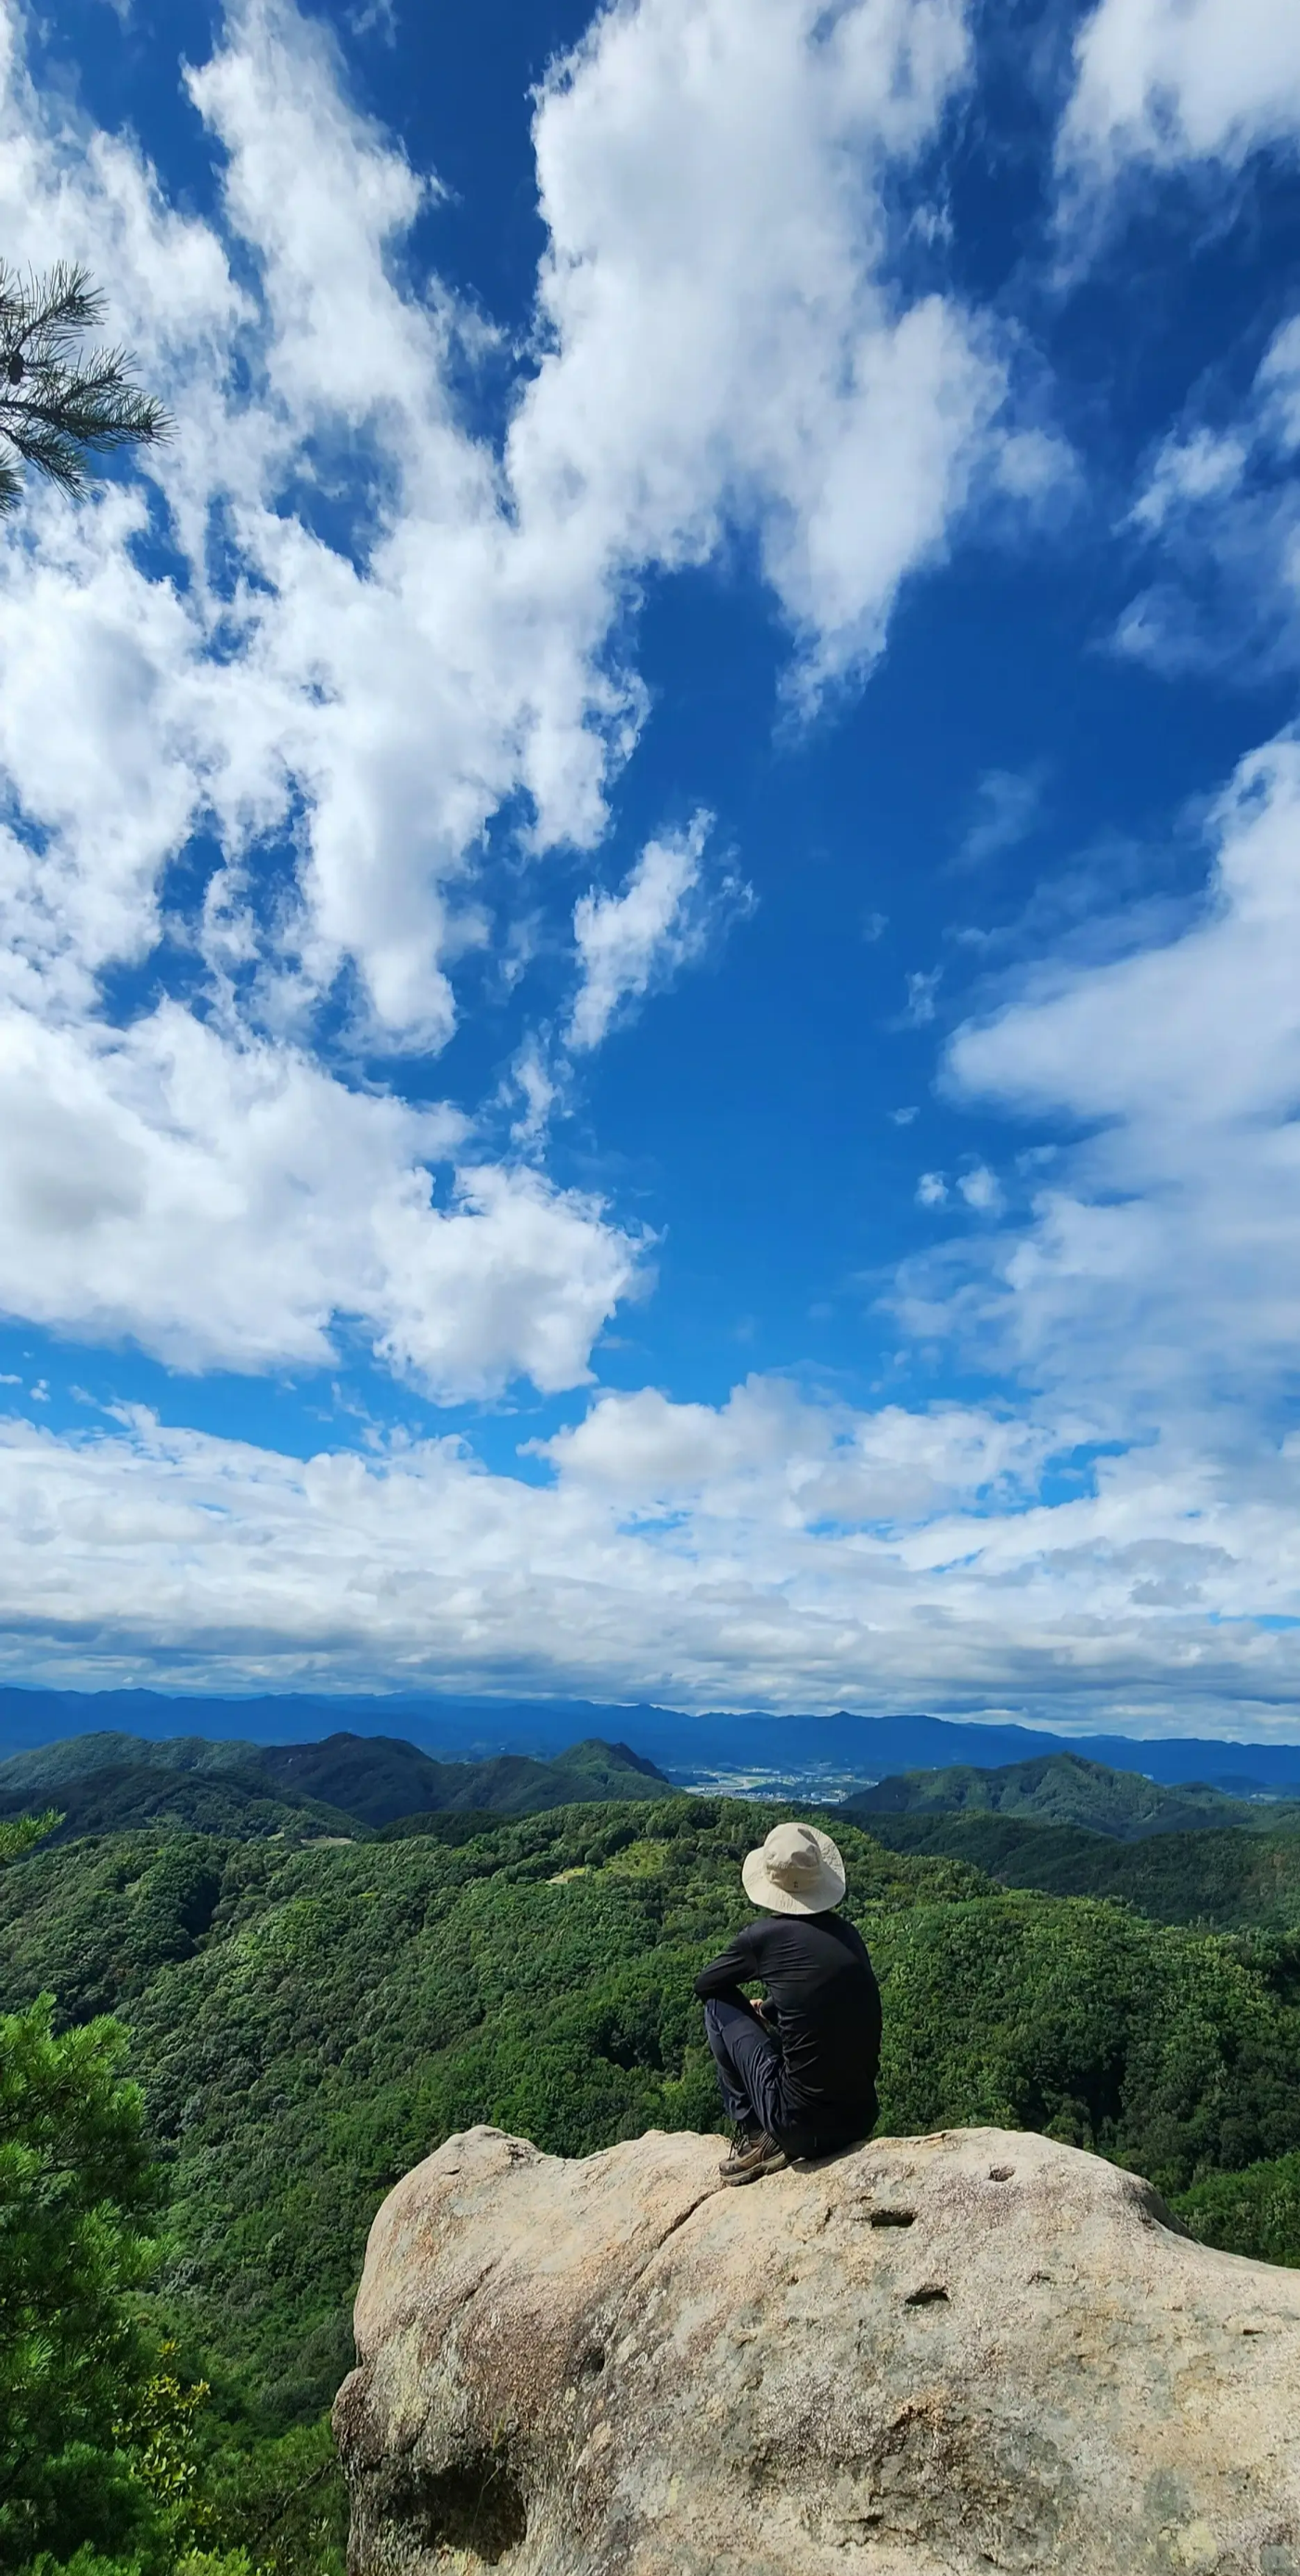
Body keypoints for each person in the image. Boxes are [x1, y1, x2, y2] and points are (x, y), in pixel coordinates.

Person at [694, 1819, 882, 2184]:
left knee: (717, 2006)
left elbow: (706, 1985)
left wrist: (751, 2008)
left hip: (800, 2128)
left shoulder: (763, 1938)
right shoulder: (848, 1935)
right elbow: (817, 1999)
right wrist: (766, 2010)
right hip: (859, 2117)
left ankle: (757, 2138)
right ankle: (767, 2134)